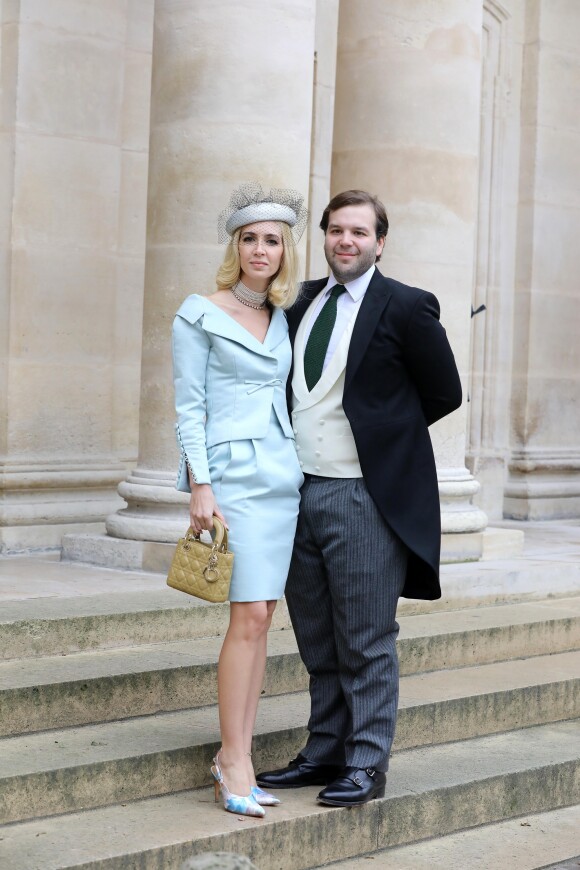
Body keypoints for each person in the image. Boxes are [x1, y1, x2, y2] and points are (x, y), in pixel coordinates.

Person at [257, 189, 462, 807]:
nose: (346, 241)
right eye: (336, 230)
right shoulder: (298, 303)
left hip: (363, 499)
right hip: (298, 495)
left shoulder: (405, 305)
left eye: (358, 232)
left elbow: (443, 392)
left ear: (379, 241)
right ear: (324, 237)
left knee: (367, 638)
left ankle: (367, 763)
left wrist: (381, 439)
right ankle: (325, 750)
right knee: (317, 636)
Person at [172, 183, 307, 817]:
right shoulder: (198, 312)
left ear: (286, 250)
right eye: (249, 238)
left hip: (281, 478)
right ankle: (232, 761)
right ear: (236, 247)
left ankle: (239, 756)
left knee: (261, 618)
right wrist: (200, 485)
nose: (260, 249)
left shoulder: (284, 316)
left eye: (272, 239)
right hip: (228, 477)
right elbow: (188, 406)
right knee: (246, 617)